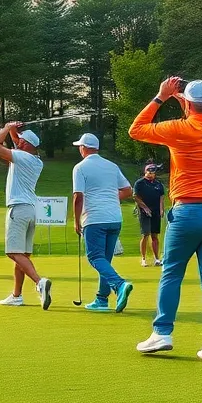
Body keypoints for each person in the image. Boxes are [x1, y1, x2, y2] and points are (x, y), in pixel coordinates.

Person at [130, 78, 202, 363]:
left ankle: (162, 333)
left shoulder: (180, 128)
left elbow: (136, 130)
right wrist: (188, 104)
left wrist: (161, 96)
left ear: (187, 104)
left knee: (172, 274)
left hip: (188, 210)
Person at [0, 122, 53, 309]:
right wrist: (12, 130)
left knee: (13, 252)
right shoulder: (35, 159)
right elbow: (17, 142)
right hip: (31, 210)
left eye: (21, 141)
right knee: (23, 256)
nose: (17, 143)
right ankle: (17, 296)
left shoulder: (21, 157)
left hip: (18, 208)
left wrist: (6, 127)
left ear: (25, 145)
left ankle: (39, 282)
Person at [72, 133, 136, 313]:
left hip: (94, 218)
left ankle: (119, 284)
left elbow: (78, 197)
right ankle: (102, 299)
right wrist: (110, 199)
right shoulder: (111, 166)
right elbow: (127, 190)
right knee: (105, 259)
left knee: (95, 257)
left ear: (83, 148)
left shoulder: (80, 167)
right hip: (114, 218)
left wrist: (76, 222)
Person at [133, 163, 165, 267]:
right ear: (146, 171)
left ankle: (156, 259)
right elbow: (136, 196)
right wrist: (145, 208)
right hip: (144, 212)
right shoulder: (140, 183)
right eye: (150, 171)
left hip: (155, 212)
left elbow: (161, 197)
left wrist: (161, 209)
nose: (152, 174)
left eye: (153, 172)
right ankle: (143, 259)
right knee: (145, 234)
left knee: (155, 236)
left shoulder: (158, 184)